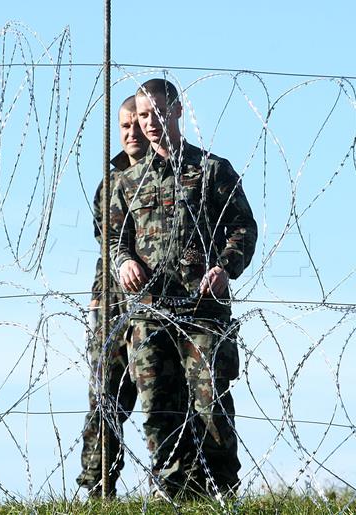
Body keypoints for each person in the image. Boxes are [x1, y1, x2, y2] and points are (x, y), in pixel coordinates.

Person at [109, 78, 257, 499]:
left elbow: (243, 227)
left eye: (156, 112)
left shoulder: (211, 170)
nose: (148, 123)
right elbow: (116, 237)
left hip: (202, 309)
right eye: (141, 115)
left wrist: (225, 268)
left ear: (176, 110)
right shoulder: (128, 181)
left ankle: (220, 487)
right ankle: (172, 487)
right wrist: (125, 263)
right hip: (151, 312)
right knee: (158, 405)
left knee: (209, 403)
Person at [76, 96, 147, 497]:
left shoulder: (174, 174)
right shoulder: (112, 180)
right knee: (105, 396)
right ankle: (98, 485)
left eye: (138, 123)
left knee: (162, 396)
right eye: (124, 126)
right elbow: (110, 237)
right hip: (111, 302)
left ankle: (174, 483)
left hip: (156, 305)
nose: (131, 132)